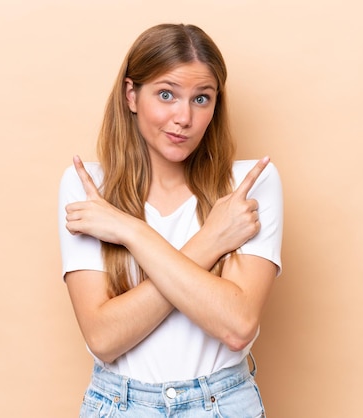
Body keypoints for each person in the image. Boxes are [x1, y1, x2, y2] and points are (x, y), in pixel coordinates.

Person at [58, 23, 283, 417]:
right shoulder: (89, 188)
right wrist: (210, 241)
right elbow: (104, 337)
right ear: (131, 95)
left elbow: (237, 325)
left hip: (222, 405)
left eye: (202, 98)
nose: (184, 117)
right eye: (166, 95)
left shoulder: (247, 187)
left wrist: (128, 230)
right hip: (119, 405)